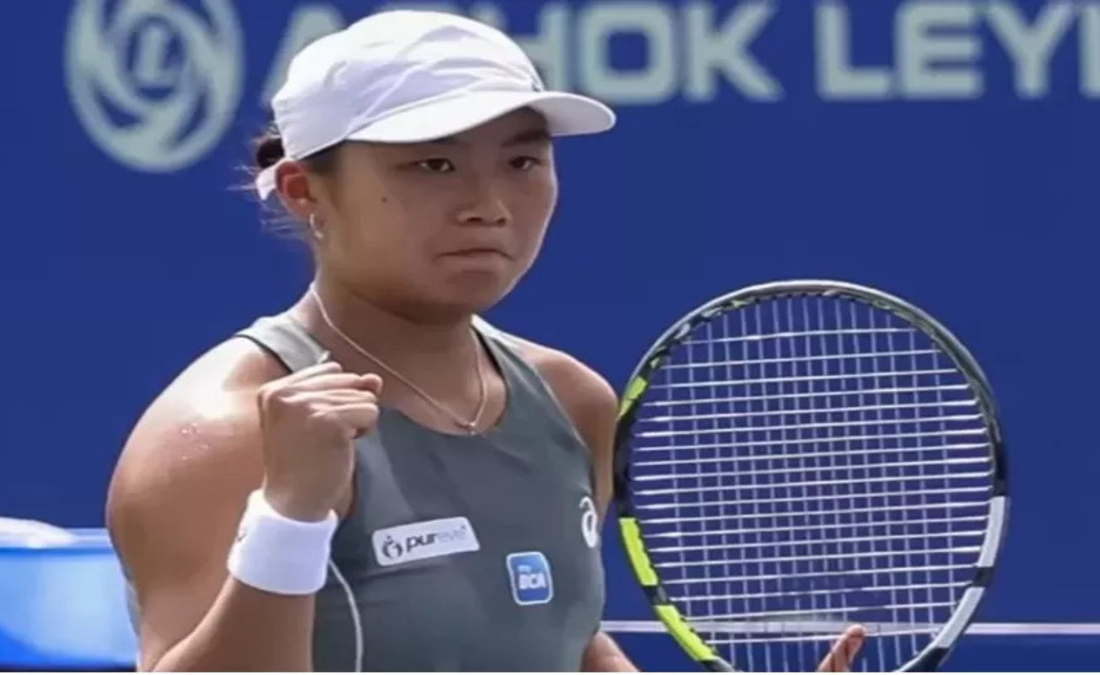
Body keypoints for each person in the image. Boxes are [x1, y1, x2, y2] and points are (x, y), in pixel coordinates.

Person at [105, 9, 867, 672]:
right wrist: (289, 520)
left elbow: (563, 643)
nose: (489, 203)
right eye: (433, 164)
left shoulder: (573, 401)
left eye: (523, 160)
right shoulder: (222, 431)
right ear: (307, 191)